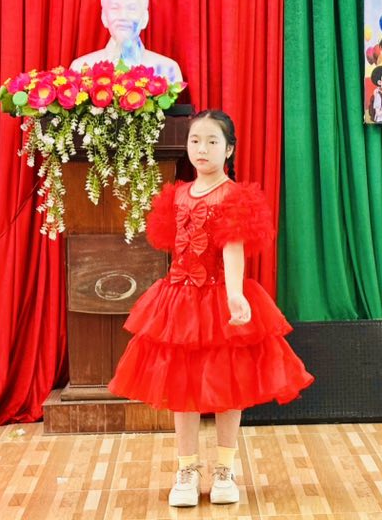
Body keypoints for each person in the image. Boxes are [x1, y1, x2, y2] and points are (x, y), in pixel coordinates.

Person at [108, 109, 313, 508]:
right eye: (195, 141)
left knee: (226, 386)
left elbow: (233, 248)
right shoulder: (178, 194)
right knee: (180, 386)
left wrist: (235, 294)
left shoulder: (233, 195)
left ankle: (224, 469)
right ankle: (186, 469)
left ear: (229, 149)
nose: (202, 149)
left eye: (212, 141)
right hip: (180, 303)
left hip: (220, 298)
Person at [71, 0, 183, 82]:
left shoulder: (168, 70)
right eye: (115, 8)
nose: (123, 16)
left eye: (132, 8)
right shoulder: (80, 68)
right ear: (104, 17)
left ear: (145, 18)